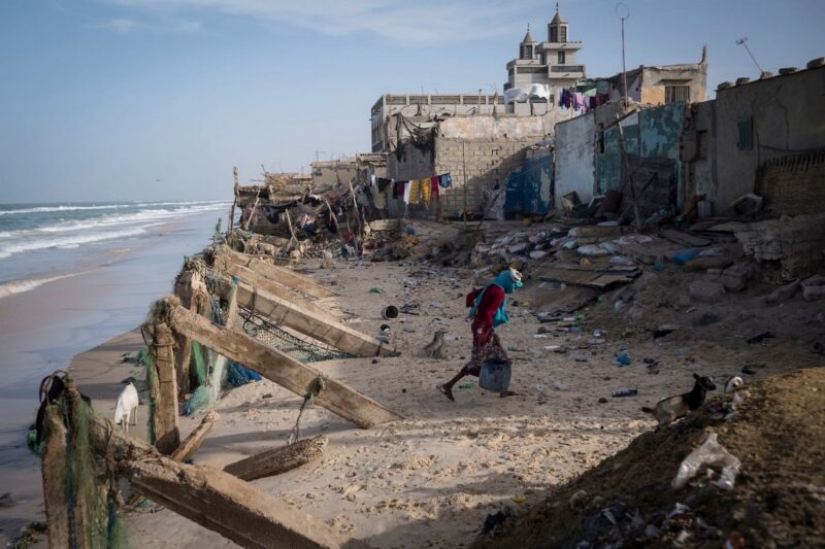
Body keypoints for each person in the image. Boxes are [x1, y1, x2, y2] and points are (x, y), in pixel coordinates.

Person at [438, 268, 523, 401]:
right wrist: (489, 329)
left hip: (479, 325)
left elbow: (470, 297)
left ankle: (503, 389)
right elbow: (489, 313)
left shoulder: (492, 285)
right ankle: (448, 385)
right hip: (483, 329)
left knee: (500, 355)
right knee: (478, 360)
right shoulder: (499, 292)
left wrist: (475, 309)